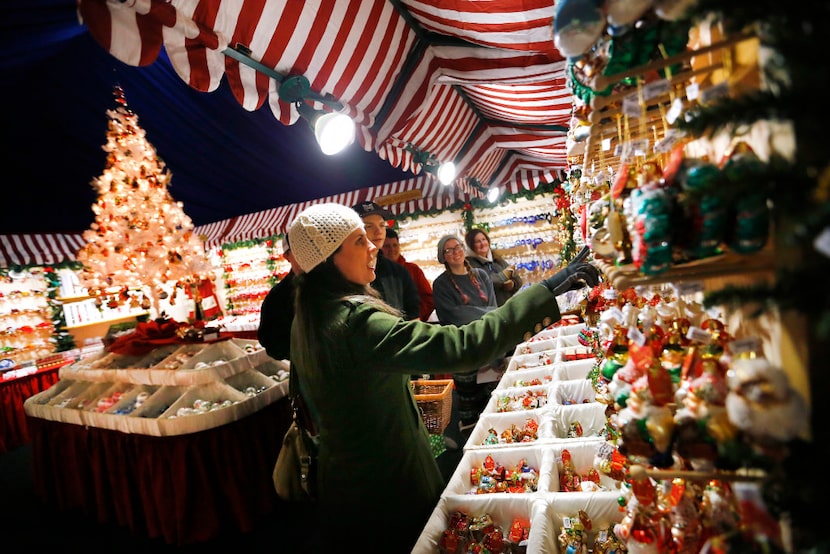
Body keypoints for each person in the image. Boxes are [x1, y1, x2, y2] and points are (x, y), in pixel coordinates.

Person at [286, 202, 600, 552]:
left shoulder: (309, 317)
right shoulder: (355, 322)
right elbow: (462, 346)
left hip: (346, 490)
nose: (374, 246)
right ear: (329, 259)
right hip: (389, 489)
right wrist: (548, 290)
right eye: (359, 241)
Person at [432, 234, 500, 432]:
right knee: (471, 407)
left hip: (489, 345)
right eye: (449, 250)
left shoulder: (481, 275)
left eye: (458, 246)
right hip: (465, 351)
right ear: (443, 257)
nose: (456, 252)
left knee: (494, 402)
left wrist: (492, 319)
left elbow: (493, 307)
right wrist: (490, 315)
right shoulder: (441, 284)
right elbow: (455, 316)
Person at [352, 200, 421, 320]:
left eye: (382, 225)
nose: (378, 231)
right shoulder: (346, 271)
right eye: (368, 226)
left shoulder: (399, 272)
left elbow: (413, 313)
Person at [257, 235, 303, 361]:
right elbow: (271, 343)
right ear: (287, 256)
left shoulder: (331, 281)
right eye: (299, 249)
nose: (307, 254)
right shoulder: (278, 296)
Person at [382, 228, 435, 321]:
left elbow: (428, 299)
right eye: (387, 246)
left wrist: (414, 317)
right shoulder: (375, 274)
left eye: (395, 245)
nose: (392, 249)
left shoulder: (413, 269)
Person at [465, 227, 523, 307]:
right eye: (478, 242)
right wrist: (504, 276)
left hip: (507, 307)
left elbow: (518, 279)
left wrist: (513, 284)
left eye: (484, 239)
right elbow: (486, 282)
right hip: (490, 311)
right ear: (471, 245)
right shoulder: (470, 264)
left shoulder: (496, 259)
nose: (482, 243)